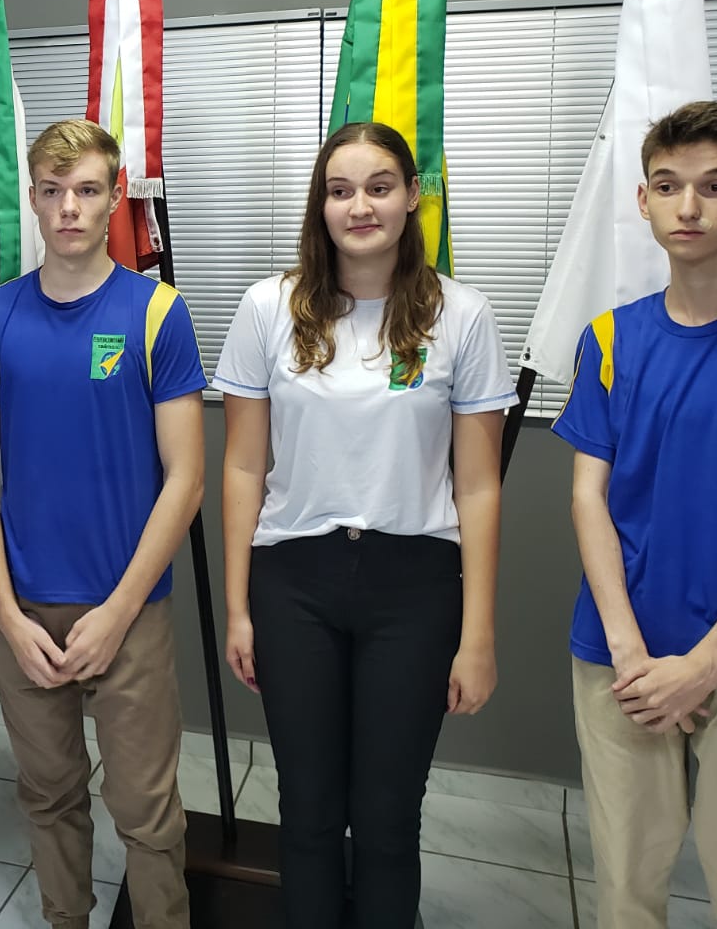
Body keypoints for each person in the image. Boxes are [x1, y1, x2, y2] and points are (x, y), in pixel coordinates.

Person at [214, 121, 515, 927]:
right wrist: (239, 608)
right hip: (294, 583)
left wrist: (478, 635)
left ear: (413, 196)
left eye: (379, 187)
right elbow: (242, 467)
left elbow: (479, 487)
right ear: (320, 204)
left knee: (385, 819)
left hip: (414, 588)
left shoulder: (462, 314)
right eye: (339, 190)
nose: (360, 207)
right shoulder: (268, 307)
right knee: (308, 812)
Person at [0, 118, 206, 929]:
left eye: (88, 190)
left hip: (128, 610)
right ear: (32, 199)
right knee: (50, 793)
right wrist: (2, 608)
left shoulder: (157, 313)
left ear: (114, 197)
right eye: (54, 191)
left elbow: (186, 478)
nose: (70, 207)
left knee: (146, 809)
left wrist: (120, 611)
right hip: (25, 610)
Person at [551, 100, 717, 929]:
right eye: (668, 185)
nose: (688, 206)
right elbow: (588, 498)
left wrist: (707, 662)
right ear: (644, 200)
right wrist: (630, 651)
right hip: (620, 657)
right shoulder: (609, 340)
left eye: (715, 186)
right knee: (625, 885)